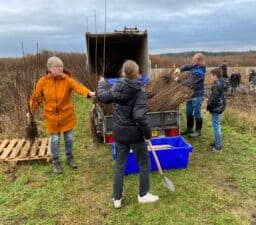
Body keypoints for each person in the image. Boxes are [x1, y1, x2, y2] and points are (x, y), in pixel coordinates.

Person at [97, 60, 159, 209]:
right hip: (135, 135)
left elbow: (103, 97)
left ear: (123, 73)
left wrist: (101, 82)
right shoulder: (139, 92)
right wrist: (147, 134)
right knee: (144, 164)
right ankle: (143, 195)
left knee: (120, 166)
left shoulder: (116, 88)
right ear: (137, 74)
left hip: (119, 133)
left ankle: (117, 199)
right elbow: (139, 117)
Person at [28, 56, 95, 174]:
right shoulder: (42, 82)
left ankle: (70, 158)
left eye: (61, 66)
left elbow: (78, 87)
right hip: (51, 117)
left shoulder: (67, 80)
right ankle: (56, 162)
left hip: (67, 115)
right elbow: (36, 98)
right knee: (55, 140)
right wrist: (31, 111)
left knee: (69, 138)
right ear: (49, 68)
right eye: (57, 66)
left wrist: (88, 93)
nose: (60, 69)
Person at [174, 53, 206, 137]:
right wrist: (179, 69)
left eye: (194, 60)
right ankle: (189, 128)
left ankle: (198, 131)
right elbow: (187, 66)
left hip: (197, 95)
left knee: (197, 112)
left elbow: (191, 83)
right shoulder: (195, 66)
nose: (192, 61)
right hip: (190, 94)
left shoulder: (200, 71)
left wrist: (178, 81)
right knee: (188, 111)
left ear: (199, 61)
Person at [206, 68, 228, 152]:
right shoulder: (224, 82)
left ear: (215, 75)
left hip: (216, 107)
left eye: (212, 75)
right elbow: (219, 96)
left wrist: (209, 106)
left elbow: (215, 98)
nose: (211, 77)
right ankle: (216, 142)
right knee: (216, 125)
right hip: (221, 106)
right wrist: (210, 99)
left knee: (216, 126)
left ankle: (218, 146)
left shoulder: (217, 84)